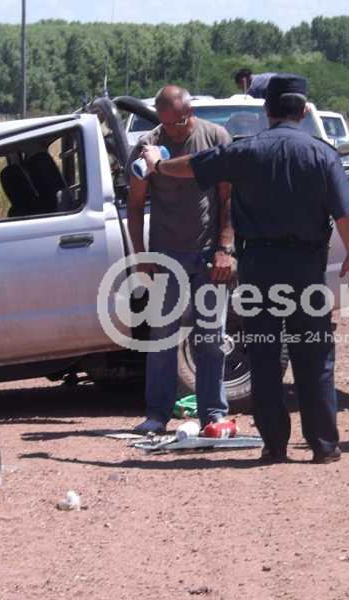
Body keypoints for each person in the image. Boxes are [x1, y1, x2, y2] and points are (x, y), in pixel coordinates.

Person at [140, 74, 349, 464]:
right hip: (306, 269)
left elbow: (193, 167)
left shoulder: (247, 151)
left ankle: (274, 446)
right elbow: (345, 214)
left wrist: (158, 166)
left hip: (260, 268)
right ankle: (324, 445)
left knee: (264, 357)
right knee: (314, 356)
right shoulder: (322, 154)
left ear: (268, 110)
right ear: (303, 112)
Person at [127, 85, 235, 435]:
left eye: (178, 123)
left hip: (208, 255)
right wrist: (141, 255)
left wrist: (225, 248)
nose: (172, 131)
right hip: (165, 256)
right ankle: (157, 415)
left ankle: (213, 414)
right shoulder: (148, 146)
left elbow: (228, 197)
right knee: (161, 337)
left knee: (211, 338)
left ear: (190, 113)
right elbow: (134, 205)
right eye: (165, 123)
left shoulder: (215, 138)